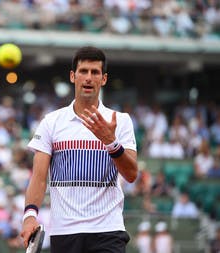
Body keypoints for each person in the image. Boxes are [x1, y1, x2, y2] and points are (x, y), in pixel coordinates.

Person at [20, 46, 138, 253]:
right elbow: (39, 178)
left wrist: (111, 142)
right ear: (73, 76)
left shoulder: (120, 121)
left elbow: (131, 174)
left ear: (104, 79)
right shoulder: (51, 122)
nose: (89, 78)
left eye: (95, 72)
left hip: (108, 231)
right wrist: (30, 215)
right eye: (83, 71)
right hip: (64, 232)